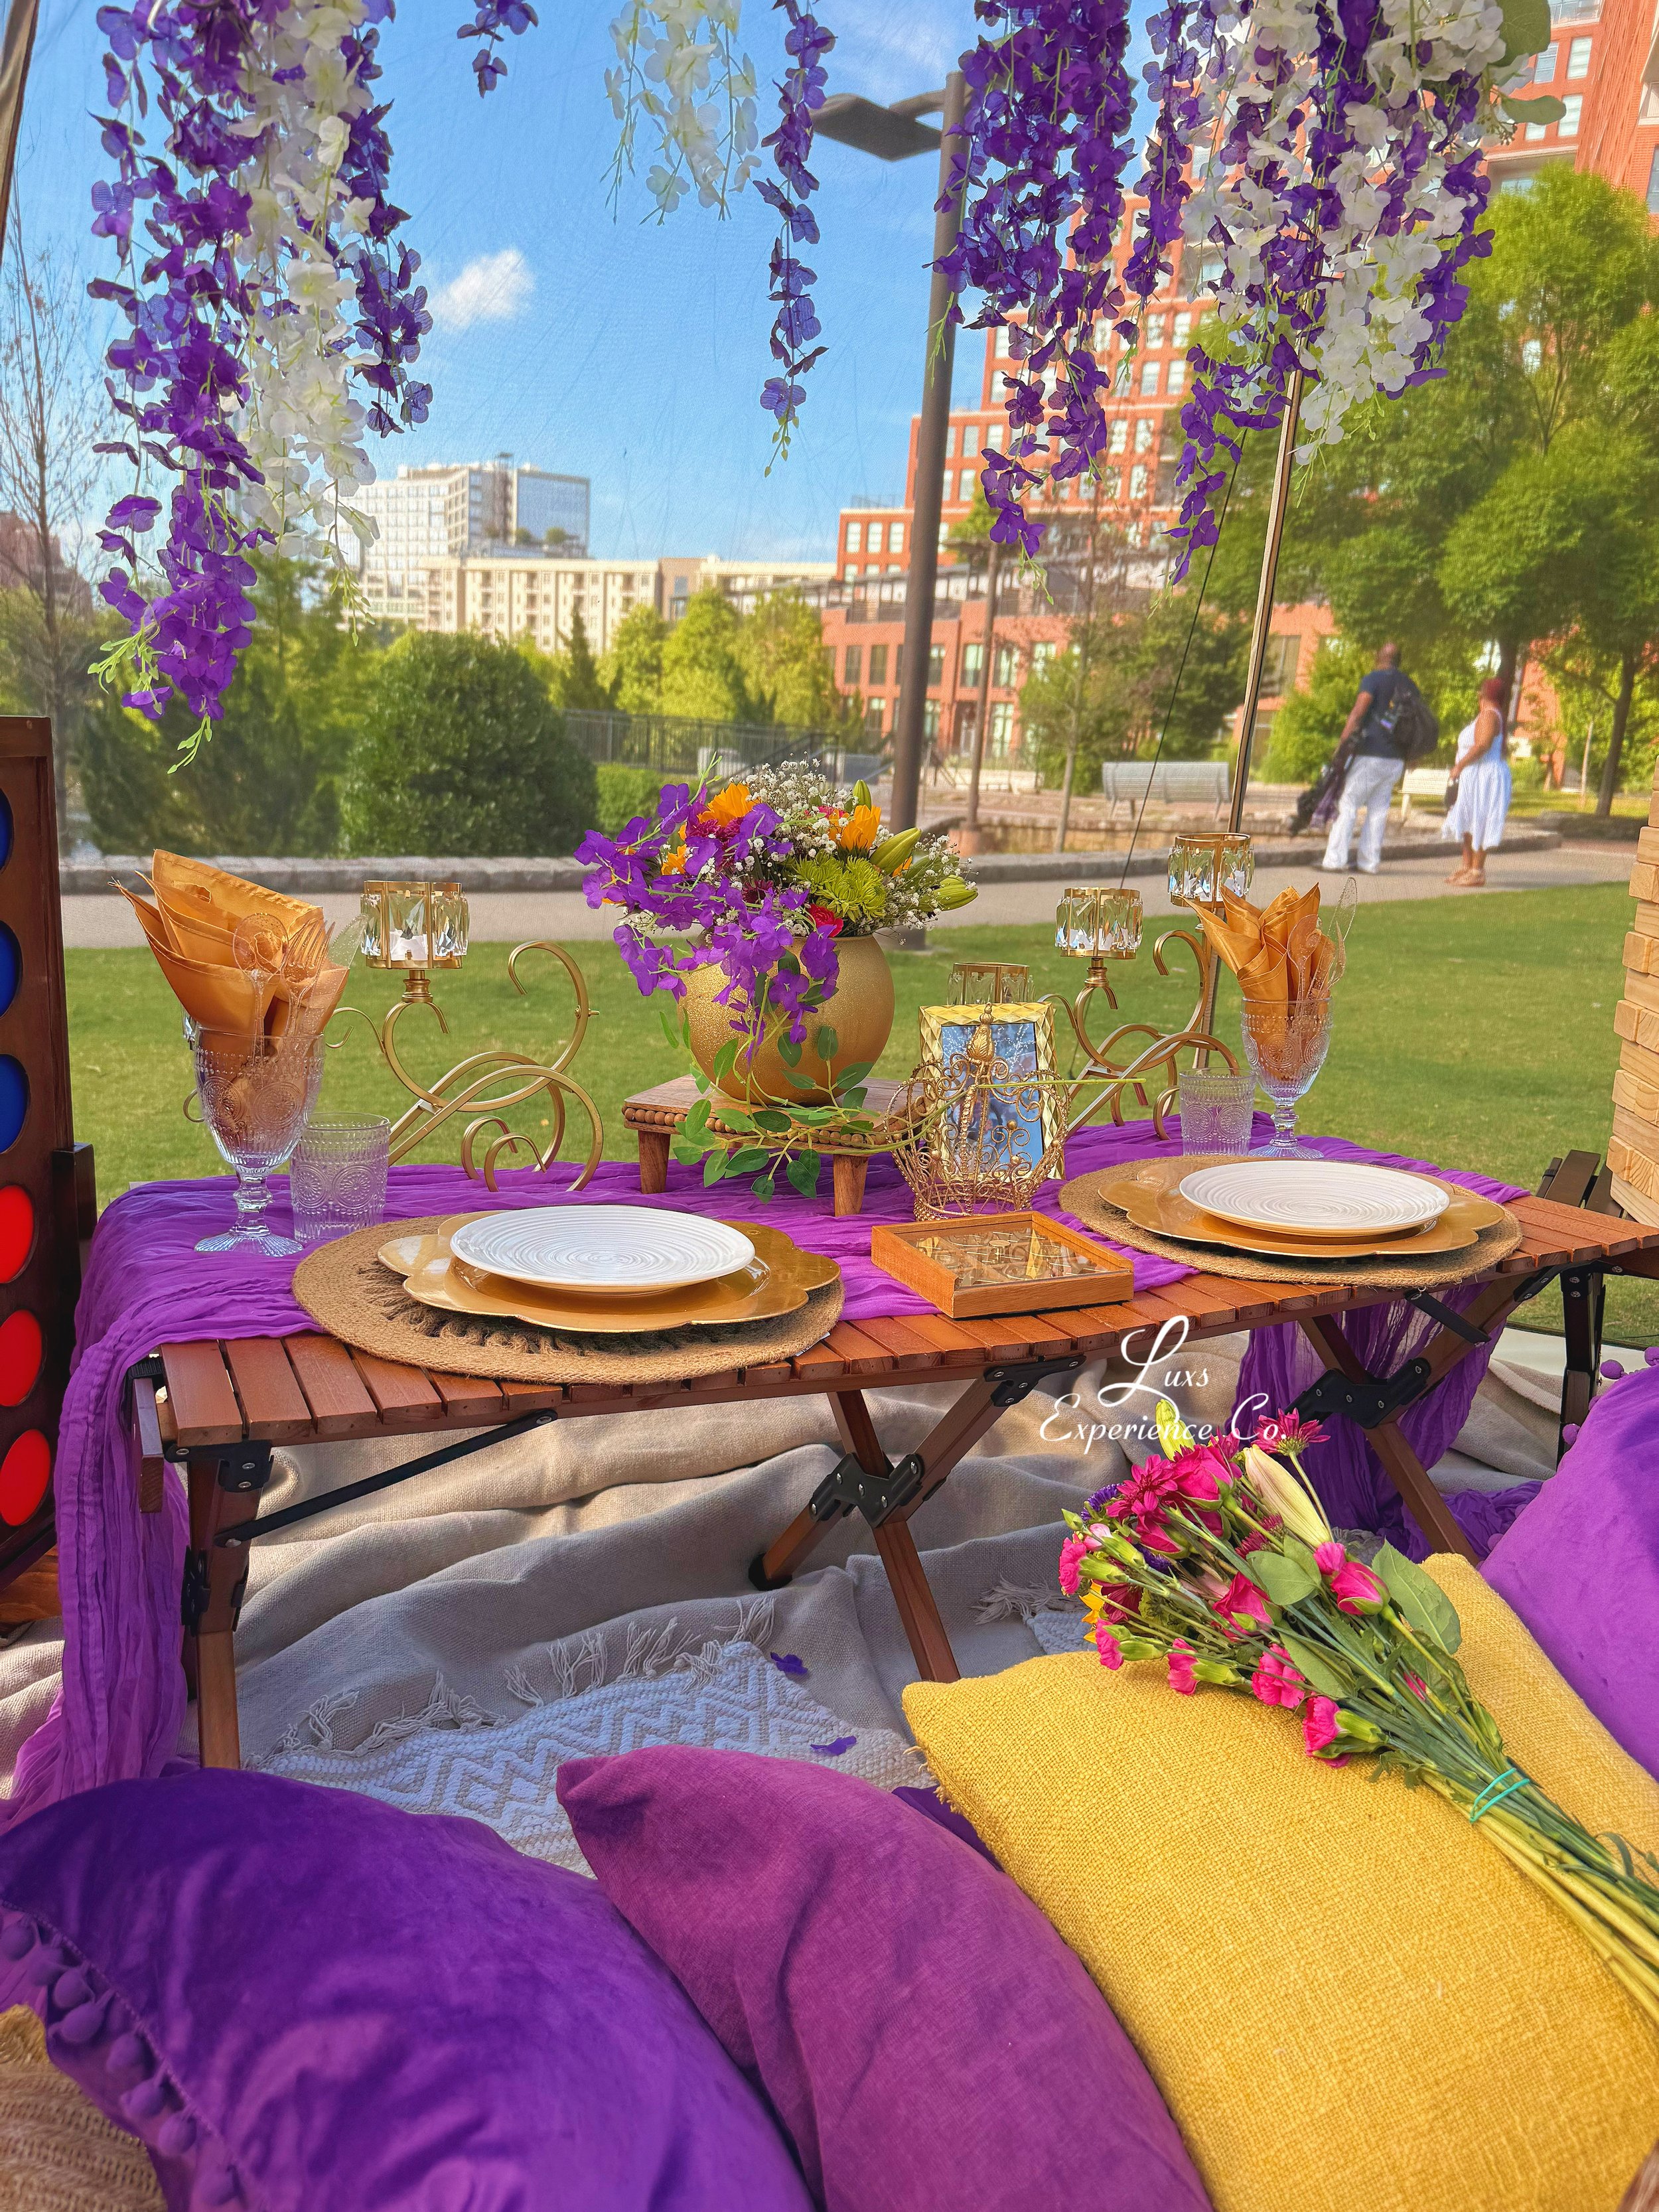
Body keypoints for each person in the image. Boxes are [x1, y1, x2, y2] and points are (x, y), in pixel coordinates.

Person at [1321, 642, 1411, 875]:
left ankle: (1335, 860)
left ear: (1379, 657)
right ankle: (1369, 863)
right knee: (1379, 809)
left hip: (1370, 752)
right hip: (1396, 758)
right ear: (1399, 660)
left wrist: (1342, 744)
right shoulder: (1409, 684)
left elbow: (1358, 712)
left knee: (1348, 804)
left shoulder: (1373, 679)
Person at [1442, 676, 1510, 887]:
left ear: (1483, 694)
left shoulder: (1490, 715)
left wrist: (1459, 766)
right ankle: (1467, 866)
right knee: (1468, 819)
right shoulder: (1486, 714)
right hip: (1474, 776)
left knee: (1480, 819)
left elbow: (1482, 745)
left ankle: (1477, 871)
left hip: (1485, 777)